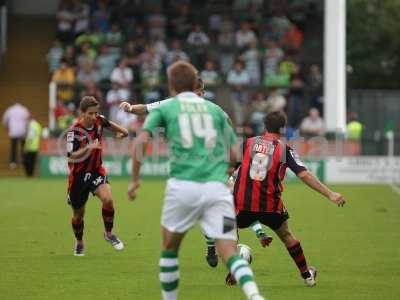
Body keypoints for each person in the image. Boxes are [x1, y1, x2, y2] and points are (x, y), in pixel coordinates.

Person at [126, 61, 265, 300]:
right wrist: (226, 171)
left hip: (182, 187)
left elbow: (140, 142)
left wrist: (135, 179)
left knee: (169, 249)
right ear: (195, 85)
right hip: (216, 188)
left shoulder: (168, 107)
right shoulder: (216, 110)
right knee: (230, 251)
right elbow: (235, 153)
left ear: (171, 86)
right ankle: (254, 295)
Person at [225, 111, 346, 286]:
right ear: (283, 129)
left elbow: (229, 167)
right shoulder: (284, 149)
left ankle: (235, 266)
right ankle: (307, 276)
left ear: (264, 126)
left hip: (242, 203)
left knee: (229, 228)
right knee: (287, 236)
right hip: (271, 206)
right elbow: (304, 175)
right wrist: (330, 193)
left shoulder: (248, 143)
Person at [66, 96, 128, 256]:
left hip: (96, 170)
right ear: (82, 113)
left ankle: (108, 234)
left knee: (108, 199)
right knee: (78, 215)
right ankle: (79, 241)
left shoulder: (100, 120)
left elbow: (117, 128)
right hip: (78, 177)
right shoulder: (74, 131)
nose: (94, 116)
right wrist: (89, 147)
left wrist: (123, 132)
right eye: (91, 113)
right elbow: (71, 156)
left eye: (96, 113)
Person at [2, 102, 30, 169]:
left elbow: (5, 120)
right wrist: (27, 129)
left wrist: (7, 126)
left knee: (13, 148)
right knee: (23, 147)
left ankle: (13, 162)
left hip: (13, 131)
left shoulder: (10, 110)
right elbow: (27, 120)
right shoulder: (24, 110)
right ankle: (24, 161)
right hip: (22, 131)